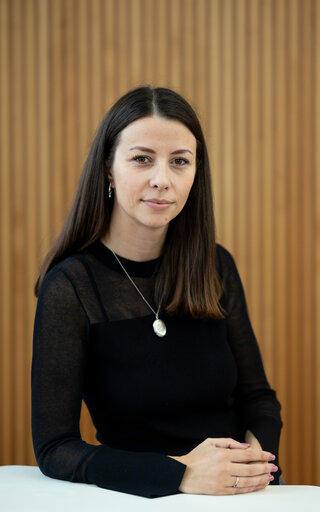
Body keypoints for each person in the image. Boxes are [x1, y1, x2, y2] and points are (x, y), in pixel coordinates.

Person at [31, 86, 282, 499]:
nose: (161, 180)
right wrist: (179, 474)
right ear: (108, 169)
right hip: (138, 498)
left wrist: (247, 469)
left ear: (196, 173)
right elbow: (55, 448)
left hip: (240, 494)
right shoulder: (72, 286)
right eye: (142, 159)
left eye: (179, 162)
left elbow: (258, 398)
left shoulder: (216, 266)